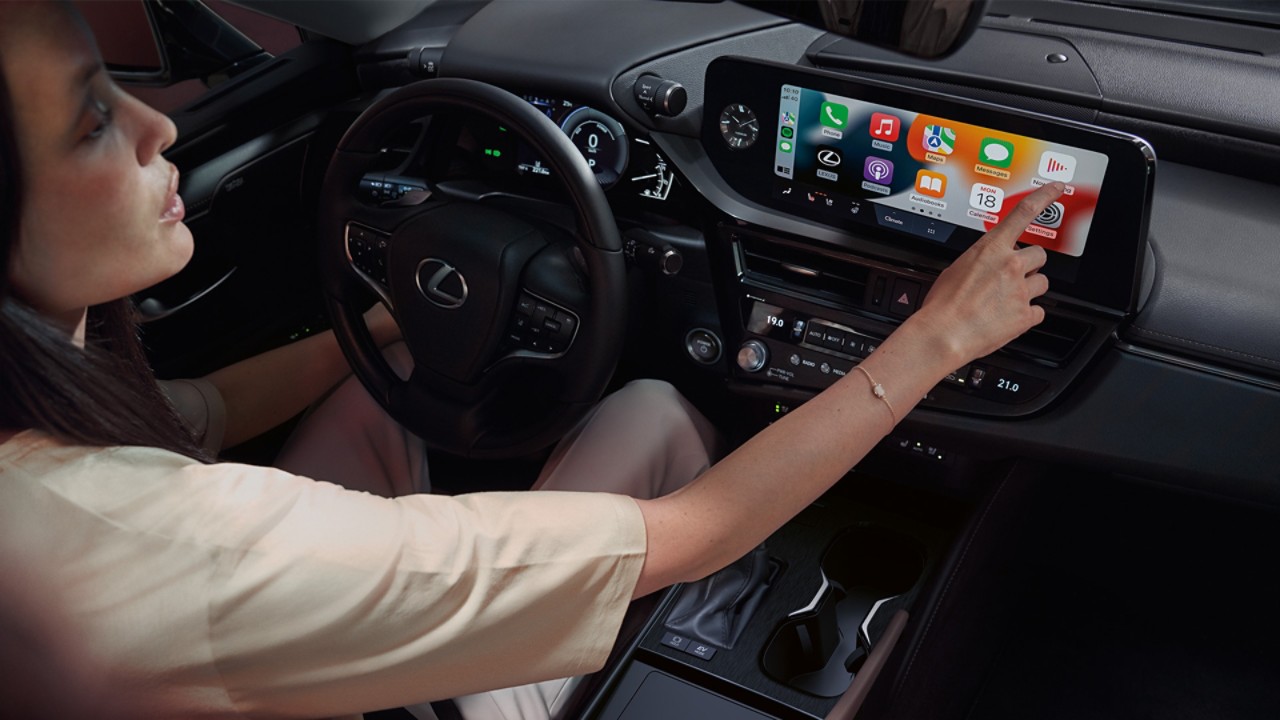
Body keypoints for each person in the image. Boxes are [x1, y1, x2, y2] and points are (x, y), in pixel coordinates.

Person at [0, 2, 1060, 719]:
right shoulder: (169, 548)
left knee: (397, 407)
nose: (157, 129)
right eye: (94, 119)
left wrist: (389, 325)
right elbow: (682, 541)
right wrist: (931, 343)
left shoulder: (46, 449)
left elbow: (206, 411)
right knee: (655, 414)